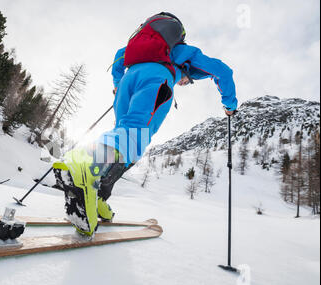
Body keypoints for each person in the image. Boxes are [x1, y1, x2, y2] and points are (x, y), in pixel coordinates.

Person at [53, 12, 237, 237]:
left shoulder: (141, 45)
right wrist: (230, 105)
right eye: (188, 82)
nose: (185, 82)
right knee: (134, 136)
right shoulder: (184, 52)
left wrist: (119, 85)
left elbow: (120, 57)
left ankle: (98, 194)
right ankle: (85, 164)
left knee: (123, 137)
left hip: (128, 81)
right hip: (156, 79)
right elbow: (223, 71)